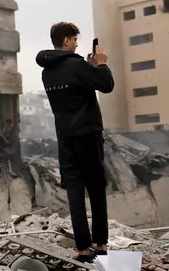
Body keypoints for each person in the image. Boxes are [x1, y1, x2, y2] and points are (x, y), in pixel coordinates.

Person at [35, 22, 114, 262]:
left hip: (65, 138)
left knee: (75, 191)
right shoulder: (77, 65)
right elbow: (107, 85)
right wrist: (100, 64)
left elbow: (75, 88)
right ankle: (100, 245)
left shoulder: (46, 71)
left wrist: (87, 68)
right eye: (75, 39)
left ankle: (82, 249)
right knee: (96, 188)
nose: (77, 43)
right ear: (67, 41)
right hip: (88, 135)